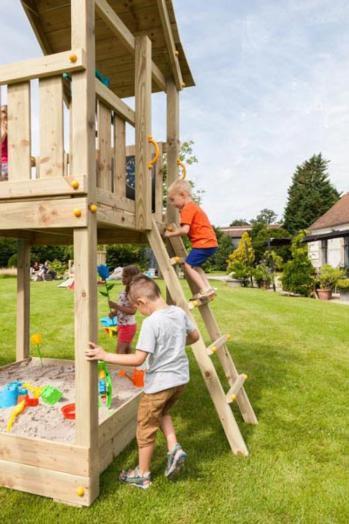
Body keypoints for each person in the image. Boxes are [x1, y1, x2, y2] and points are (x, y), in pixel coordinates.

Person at [86, 274, 199, 489]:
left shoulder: (151, 322)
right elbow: (194, 337)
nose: (139, 312)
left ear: (141, 302)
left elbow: (138, 359)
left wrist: (104, 355)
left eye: (137, 308)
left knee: (145, 427)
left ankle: (142, 475)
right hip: (180, 380)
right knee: (163, 412)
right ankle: (174, 448)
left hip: (159, 384)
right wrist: (173, 344)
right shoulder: (179, 312)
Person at [165, 179, 218, 300]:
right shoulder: (193, 207)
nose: (172, 204)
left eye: (173, 200)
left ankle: (204, 289)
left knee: (188, 266)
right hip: (210, 243)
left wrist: (169, 234)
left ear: (183, 195)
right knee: (196, 266)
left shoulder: (188, 208)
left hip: (203, 243)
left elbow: (184, 230)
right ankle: (208, 288)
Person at [108, 265, 140, 354]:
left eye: (125, 276)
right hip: (122, 325)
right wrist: (114, 313)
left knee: (119, 352)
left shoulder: (132, 293)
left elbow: (133, 311)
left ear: (134, 278)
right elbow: (123, 306)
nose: (122, 278)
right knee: (126, 350)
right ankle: (133, 367)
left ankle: (122, 367)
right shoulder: (125, 290)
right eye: (122, 276)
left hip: (127, 327)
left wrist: (116, 307)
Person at [0, 105, 8, 182]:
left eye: (6, 112)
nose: (5, 114)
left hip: (10, 163)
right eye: (3, 112)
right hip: (2, 163)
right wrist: (4, 129)